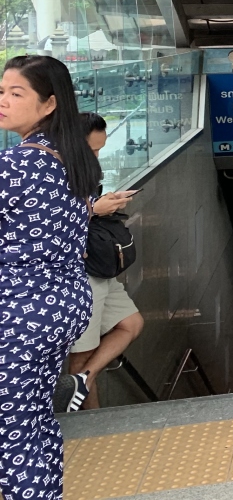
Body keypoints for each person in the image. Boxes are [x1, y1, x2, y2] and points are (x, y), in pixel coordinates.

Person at [0, 55, 99, 500]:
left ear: (49, 103)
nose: (3, 101)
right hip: (60, 304)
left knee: (13, 432)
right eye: (1, 91)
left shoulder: (16, 165)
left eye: (16, 93)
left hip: (19, 310)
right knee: (34, 420)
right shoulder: (72, 160)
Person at [64, 113, 142, 411]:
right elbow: (47, 223)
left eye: (100, 150)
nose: (96, 157)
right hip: (79, 274)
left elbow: (80, 207)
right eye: (92, 150)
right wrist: (95, 209)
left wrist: (103, 203)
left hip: (100, 268)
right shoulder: (49, 172)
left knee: (131, 323)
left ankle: (82, 379)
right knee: (82, 355)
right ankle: (91, 422)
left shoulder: (80, 170)